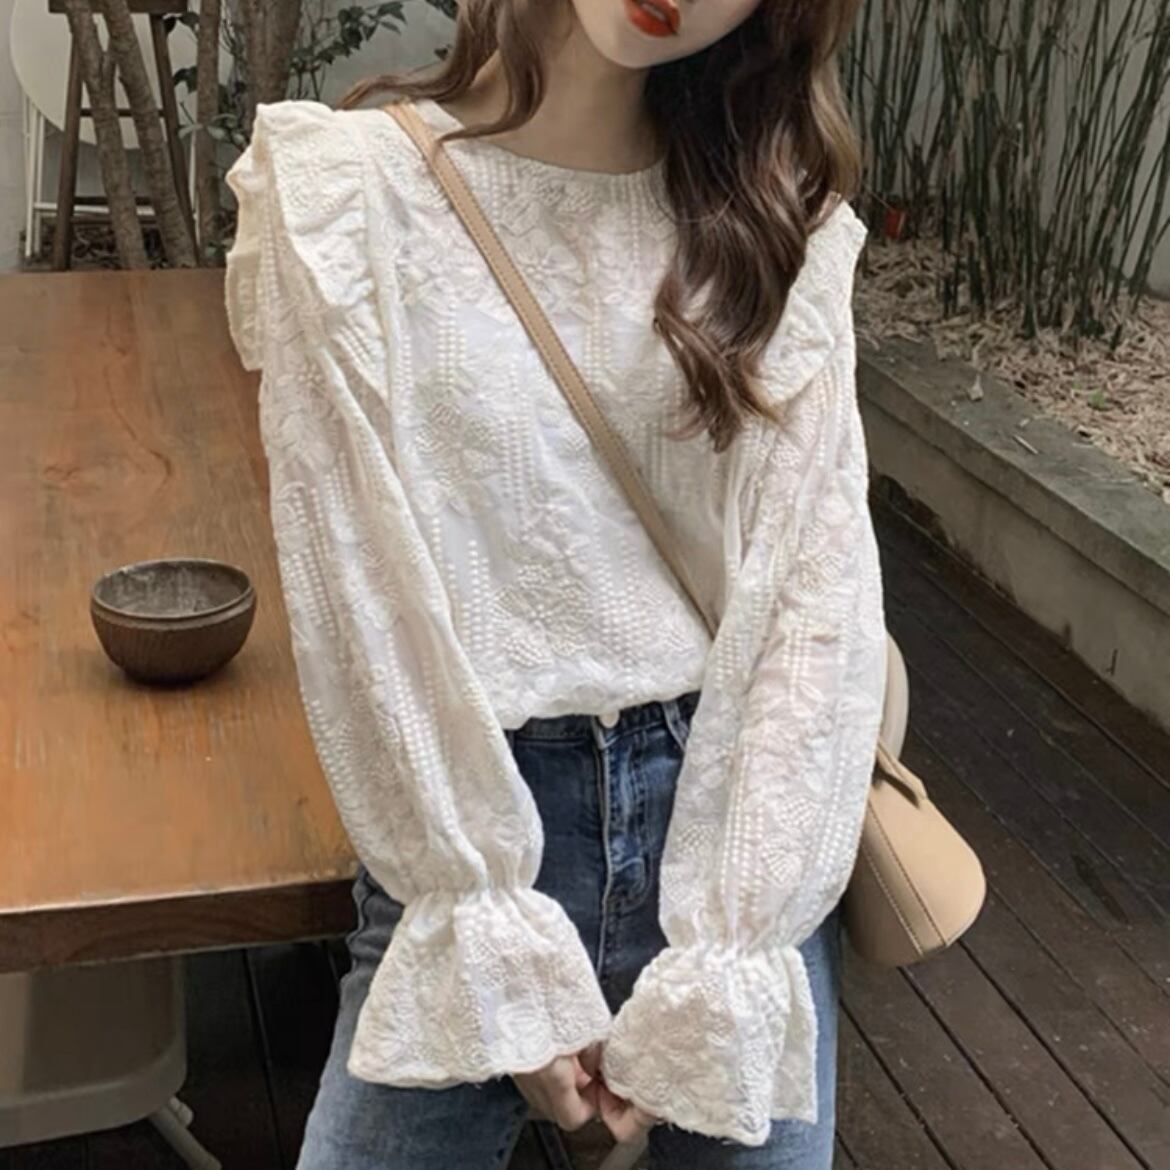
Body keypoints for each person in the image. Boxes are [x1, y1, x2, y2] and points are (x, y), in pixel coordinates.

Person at [223, 0, 887, 1166]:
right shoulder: (348, 194)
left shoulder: (771, 219)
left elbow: (812, 594)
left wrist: (730, 949)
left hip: (733, 829)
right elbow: (359, 593)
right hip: (467, 822)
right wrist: (477, 921)